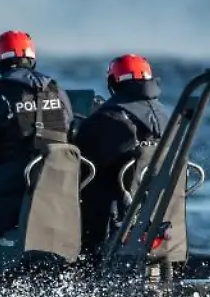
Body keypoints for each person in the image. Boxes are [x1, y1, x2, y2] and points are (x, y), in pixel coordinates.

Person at [0, 30, 74, 271]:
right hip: (58, 193)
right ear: (32, 58)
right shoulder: (57, 91)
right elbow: (70, 132)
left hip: (11, 191)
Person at [72, 53, 179, 263]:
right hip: (159, 216)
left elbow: (80, 160)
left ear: (113, 82)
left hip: (115, 223)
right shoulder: (169, 117)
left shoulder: (109, 117)